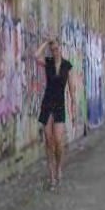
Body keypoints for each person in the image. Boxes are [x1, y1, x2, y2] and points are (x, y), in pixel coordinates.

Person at [35, 37, 76, 190]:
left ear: (61, 48)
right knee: (49, 140)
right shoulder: (48, 63)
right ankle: (51, 175)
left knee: (58, 140)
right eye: (52, 50)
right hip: (47, 104)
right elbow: (36, 56)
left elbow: (71, 88)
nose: (55, 52)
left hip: (59, 105)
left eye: (56, 49)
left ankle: (59, 167)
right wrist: (46, 42)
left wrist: (73, 105)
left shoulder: (67, 65)